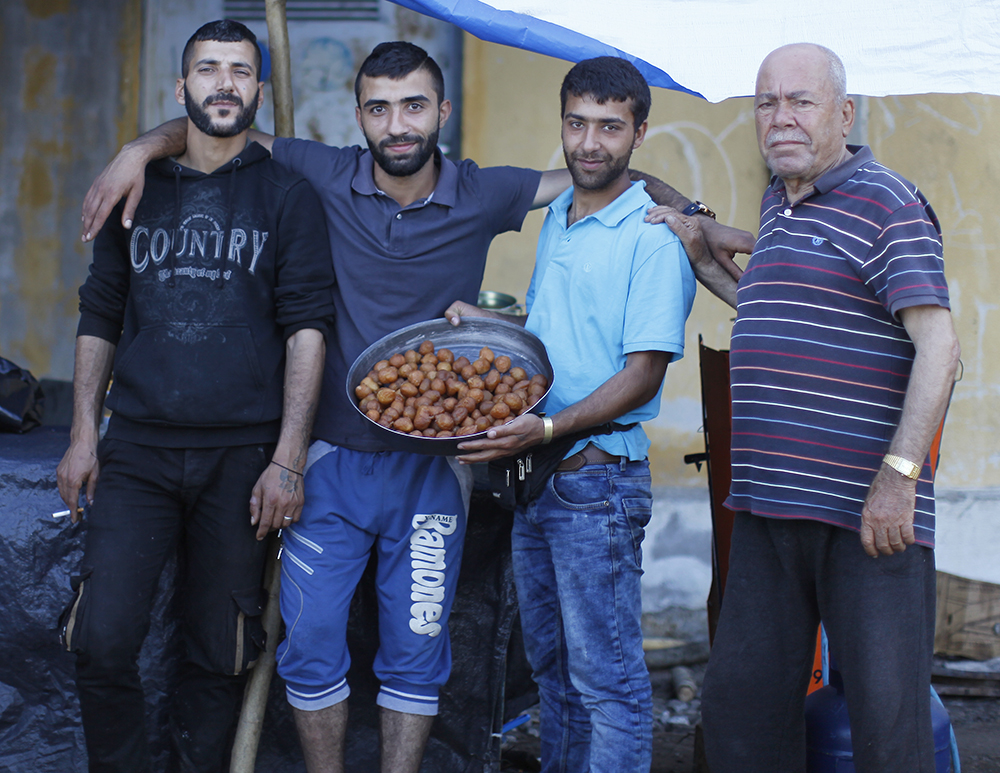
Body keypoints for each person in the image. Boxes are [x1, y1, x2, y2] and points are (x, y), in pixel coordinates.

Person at [78, 41, 752, 773]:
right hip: (330, 459)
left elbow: (609, 173)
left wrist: (695, 216)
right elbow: (220, 121)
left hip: (437, 472)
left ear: (442, 111)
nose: (397, 125)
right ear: (359, 114)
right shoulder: (326, 173)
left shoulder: (485, 191)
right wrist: (135, 151)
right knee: (310, 644)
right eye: (379, 108)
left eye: (414, 106)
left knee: (422, 650)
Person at [648, 43, 961, 772]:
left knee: (890, 733)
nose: (779, 116)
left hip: (868, 519)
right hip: (767, 511)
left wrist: (899, 476)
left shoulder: (888, 200)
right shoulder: (779, 201)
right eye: (766, 102)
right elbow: (770, 310)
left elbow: (939, 347)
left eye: (800, 100)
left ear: (843, 114)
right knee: (741, 717)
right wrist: (698, 255)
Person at [55, 19, 335, 773]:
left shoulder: (290, 199)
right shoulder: (134, 191)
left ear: (259, 91)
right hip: (138, 445)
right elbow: (100, 311)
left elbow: (308, 328)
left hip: (242, 456)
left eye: (240, 71)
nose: (224, 83)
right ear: (181, 90)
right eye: (208, 69)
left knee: (219, 653)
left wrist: (288, 456)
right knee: (103, 636)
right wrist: (84, 433)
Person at [445, 56, 696, 773]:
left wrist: (550, 427)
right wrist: (493, 325)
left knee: (607, 681)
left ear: (639, 134)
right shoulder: (556, 215)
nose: (590, 142)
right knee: (551, 672)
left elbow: (641, 369)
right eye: (577, 123)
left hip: (596, 482)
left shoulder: (653, 236)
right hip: (538, 478)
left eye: (610, 127)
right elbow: (561, 339)